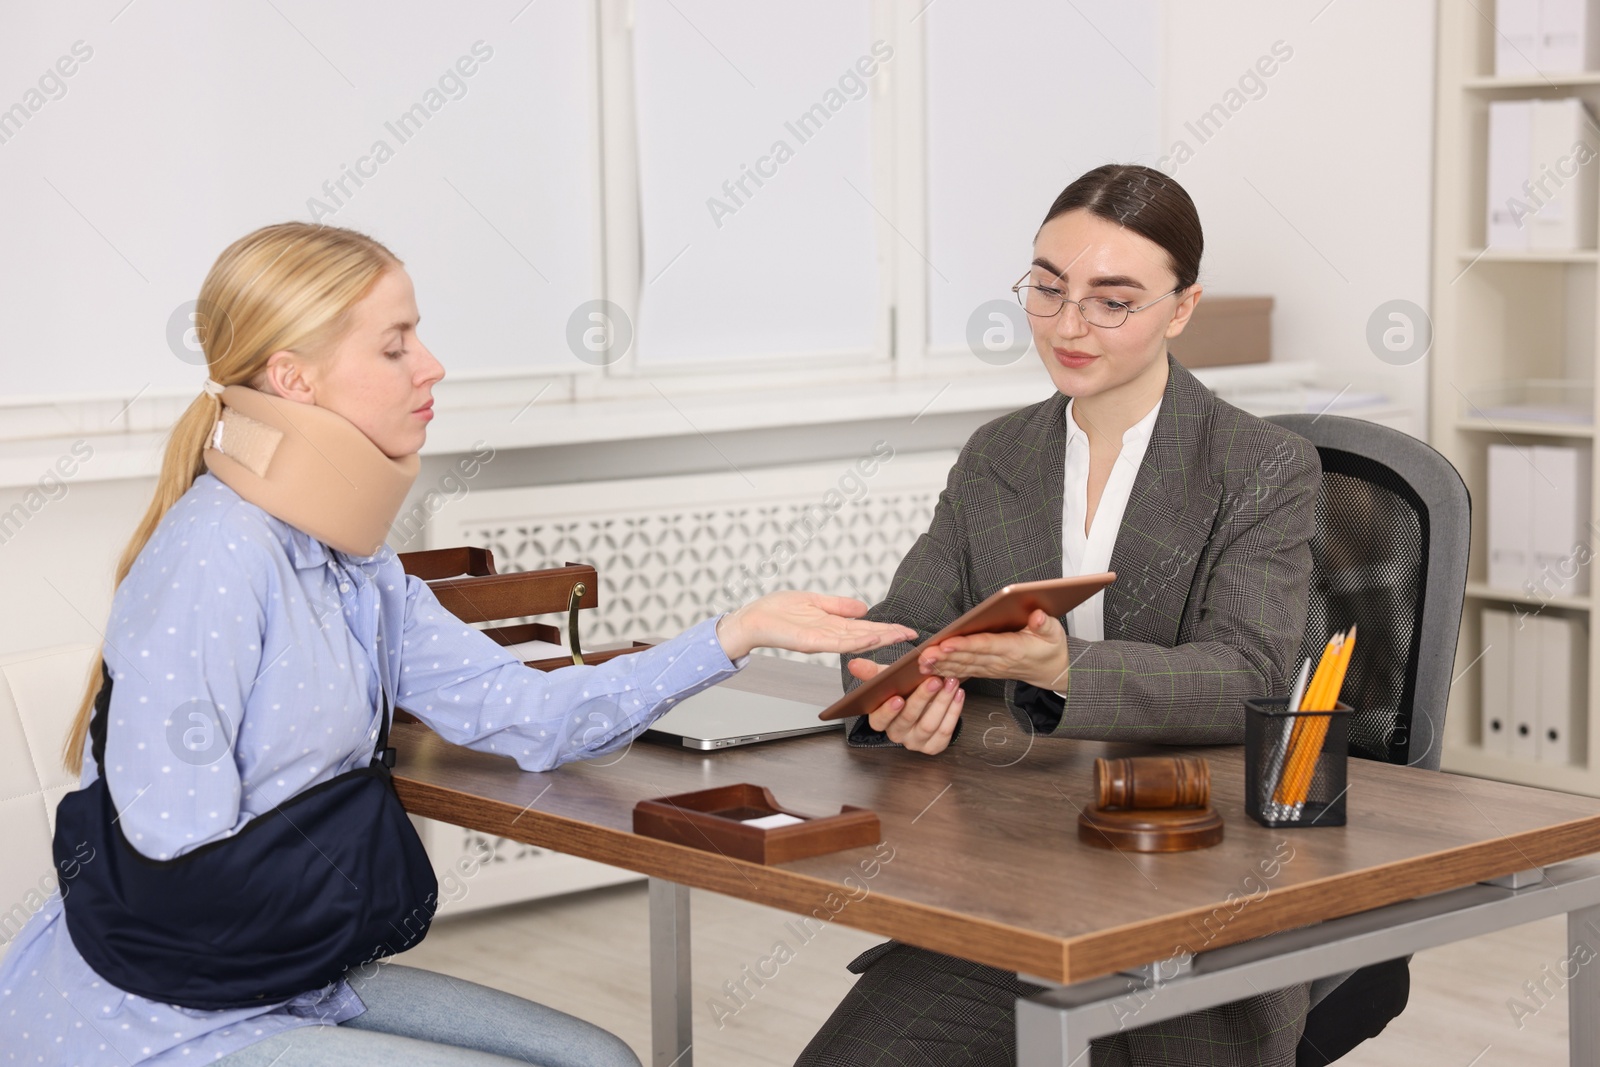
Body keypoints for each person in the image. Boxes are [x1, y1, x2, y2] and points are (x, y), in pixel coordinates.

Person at [0, 221, 916, 1067]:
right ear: (292, 380)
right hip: (159, 1013)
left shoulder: (356, 565)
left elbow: (533, 714)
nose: (430, 366)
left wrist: (733, 633)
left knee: (601, 1060)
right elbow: (175, 848)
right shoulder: (214, 556)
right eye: (395, 345)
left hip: (285, 970)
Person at [796, 164, 1324, 1067]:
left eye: (1112, 301)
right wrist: (893, 687)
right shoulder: (999, 452)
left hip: (1193, 888)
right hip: (1017, 879)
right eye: (1048, 289)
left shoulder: (1261, 466)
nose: (1068, 326)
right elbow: (906, 621)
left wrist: (1064, 671)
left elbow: (1252, 674)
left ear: (1182, 308)